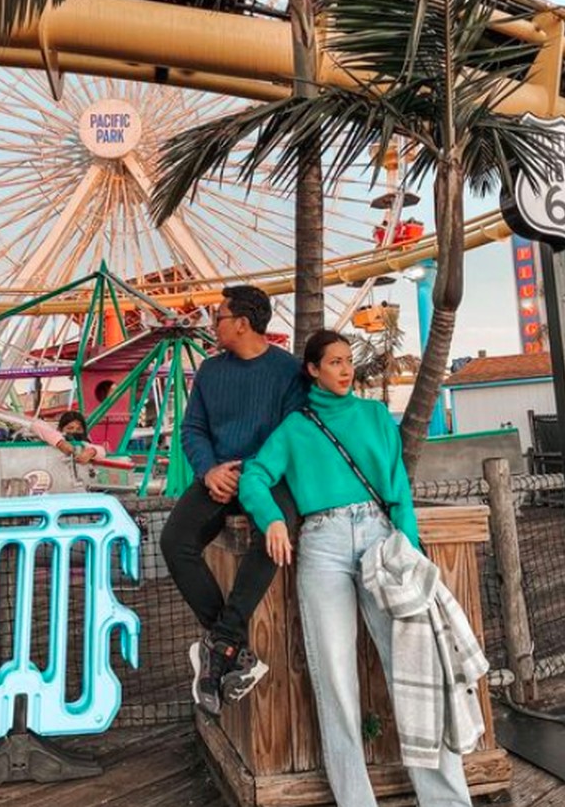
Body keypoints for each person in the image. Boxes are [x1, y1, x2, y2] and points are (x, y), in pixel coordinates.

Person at [238, 329, 475, 807]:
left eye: (348, 361)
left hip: (380, 540)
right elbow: (253, 478)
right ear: (312, 370)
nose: (346, 370)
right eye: (334, 362)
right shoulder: (295, 427)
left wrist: (409, 550)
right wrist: (273, 521)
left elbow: (398, 490)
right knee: (334, 679)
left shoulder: (373, 416)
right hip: (321, 543)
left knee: (417, 672)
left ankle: (448, 800)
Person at [159, 284, 305, 717]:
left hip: (267, 475)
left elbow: (292, 436)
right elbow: (193, 430)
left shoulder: (288, 372)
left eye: (218, 316)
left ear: (242, 323)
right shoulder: (210, 371)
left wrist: (249, 472)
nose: (212, 323)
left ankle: (220, 645)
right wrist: (208, 470)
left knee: (276, 535)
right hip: (219, 476)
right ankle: (231, 644)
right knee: (175, 542)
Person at [30, 410, 107, 465]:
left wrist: (91, 452)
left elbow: (101, 451)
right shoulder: (52, 438)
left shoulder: (83, 444)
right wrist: (60, 443)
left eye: (79, 429)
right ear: (60, 429)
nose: (74, 431)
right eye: (70, 428)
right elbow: (36, 424)